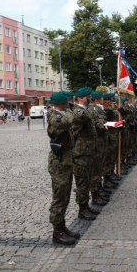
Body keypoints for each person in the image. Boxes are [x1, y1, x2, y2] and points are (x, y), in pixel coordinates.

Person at [47, 91, 79, 245]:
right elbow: (68, 121)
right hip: (59, 162)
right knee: (59, 197)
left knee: (65, 196)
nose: (69, 103)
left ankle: (62, 226)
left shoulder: (62, 113)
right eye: (67, 101)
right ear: (62, 102)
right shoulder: (55, 116)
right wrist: (72, 110)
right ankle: (57, 231)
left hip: (66, 160)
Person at [72, 86, 98, 220]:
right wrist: (93, 104)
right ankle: (82, 209)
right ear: (82, 98)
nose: (91, 98)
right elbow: (88, 116)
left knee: (87, 180)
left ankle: (86, 206)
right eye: (89, 96)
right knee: (82, 182)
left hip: (88, 151)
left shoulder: (86, 110)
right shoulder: (77, 111)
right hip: (81, 153)